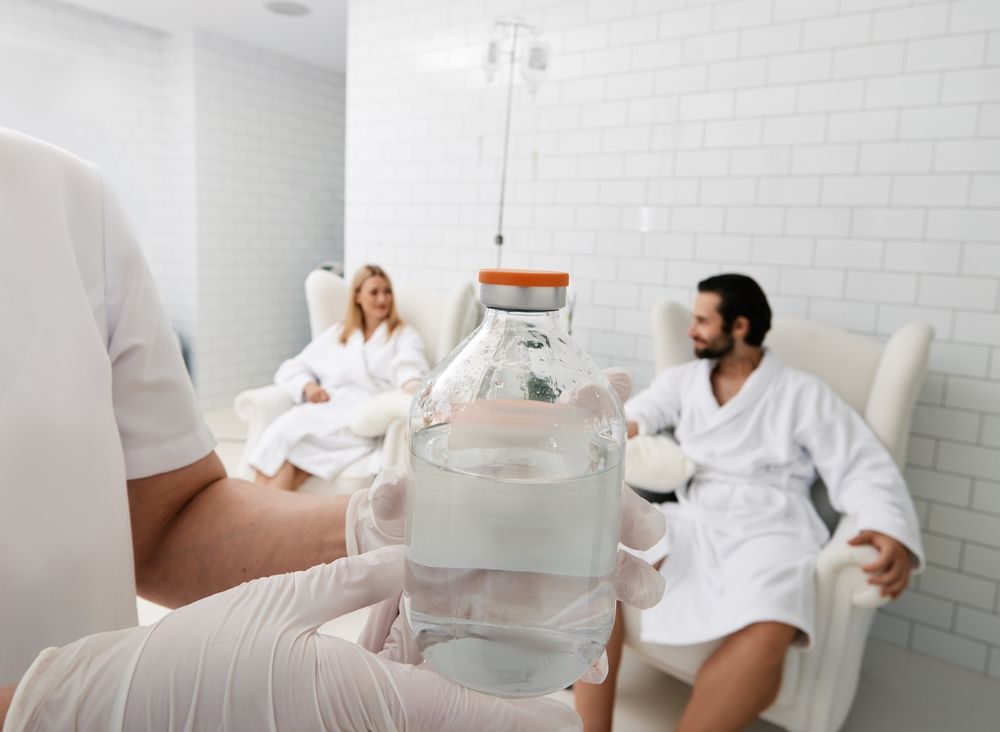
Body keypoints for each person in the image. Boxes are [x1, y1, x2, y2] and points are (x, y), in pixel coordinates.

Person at [0, 128, 666, 730]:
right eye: (368, 291)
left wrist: (367, 530)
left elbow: (168, 519)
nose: (377, 300)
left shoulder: (66, 202)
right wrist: (51, 710)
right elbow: (301, 369)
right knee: (292, 430)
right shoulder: (338, 337)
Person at [574, 274, 924, 732]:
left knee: (775, 618)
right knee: (600, 569)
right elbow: (638, 414)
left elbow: (858, 460)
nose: (691, 330)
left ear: (738, 326)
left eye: (702, 320)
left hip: (773, 523)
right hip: (696, 514)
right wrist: (611, 429)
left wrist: (886, 525)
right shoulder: (685, 381)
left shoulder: (802, 394)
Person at [249, 264, 428, 492]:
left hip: (359, 413)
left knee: (294, 451)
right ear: (357, 296)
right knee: (280, 434)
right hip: (327, 407)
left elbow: (409, 367)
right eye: (374, 292)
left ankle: (262, 518)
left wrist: (414, 388)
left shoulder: (402, 335)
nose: (383, 299)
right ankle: (263, 515)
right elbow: (293, 366)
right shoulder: (339, 334)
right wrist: (309, 386)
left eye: (387, 291)